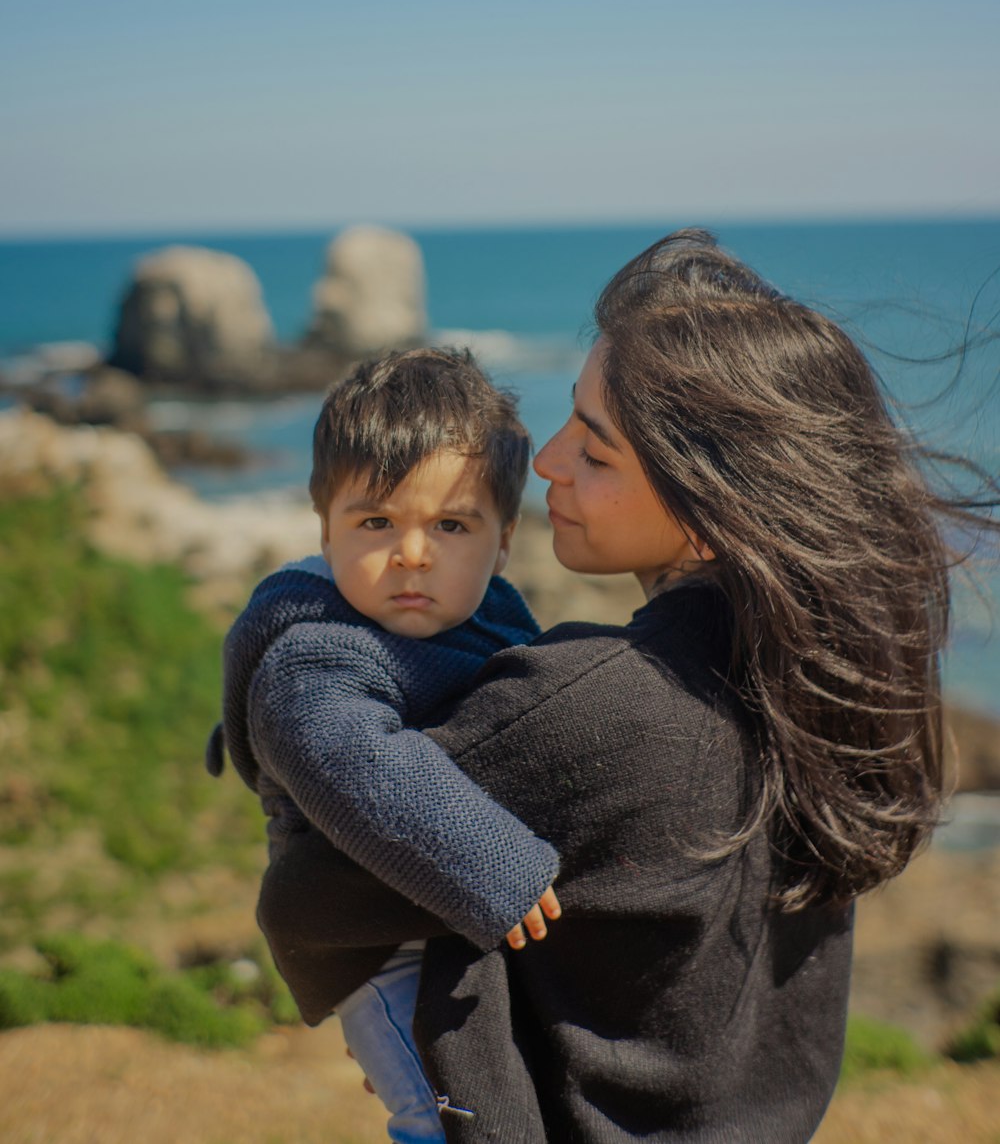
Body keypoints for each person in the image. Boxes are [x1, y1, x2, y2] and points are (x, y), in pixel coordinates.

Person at [255, 227, 993, 1143]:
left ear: (713, 504)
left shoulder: (604, 706)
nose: (549, 463)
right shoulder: (825, 675)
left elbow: (305, 901)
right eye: (570, 418)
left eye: (596, 453)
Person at [207, 348, 562, 1143]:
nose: (412, 554)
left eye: (451, 525)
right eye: (376, 522)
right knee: (442, 1120)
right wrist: (494, 858)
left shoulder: (488, 608)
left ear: (503, 542)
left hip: (438, 916)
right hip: (375, 945)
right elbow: (350, 759)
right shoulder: (318, 653)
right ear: (325, 532)